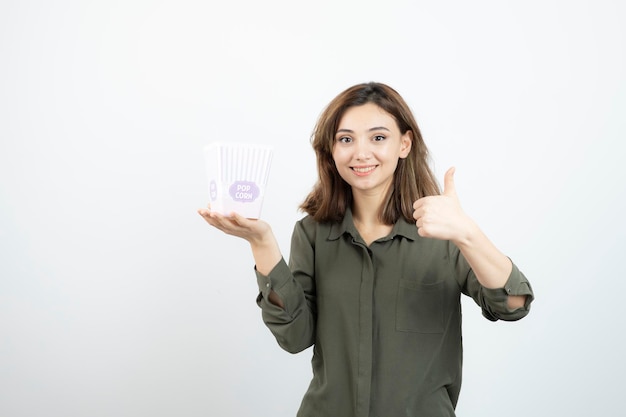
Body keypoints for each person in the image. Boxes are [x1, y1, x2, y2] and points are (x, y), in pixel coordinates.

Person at [198, 82, 534, 417]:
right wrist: (261, 242)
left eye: (378, 137)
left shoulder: (444, 233)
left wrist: (468, 234)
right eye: (346, 139)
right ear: (331, 150)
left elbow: (513, 304)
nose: (360, 153)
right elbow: (295, 337)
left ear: (404, 143)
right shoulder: (313, 233)